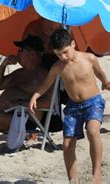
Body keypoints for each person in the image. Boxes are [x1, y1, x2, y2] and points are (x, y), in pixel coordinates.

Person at [29, 29, 109, 183]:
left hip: (93, 102)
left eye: (65, 52)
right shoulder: (58, 67)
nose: (63, 57)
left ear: (73, 44)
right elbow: (46, 83)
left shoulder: (89, 58)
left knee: (93, 131)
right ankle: (73, 179)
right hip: (73, 107)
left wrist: (106, 83)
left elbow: (100, 73)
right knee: (67, 144)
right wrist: (36, 95)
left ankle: (97, 174)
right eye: (59, 54)